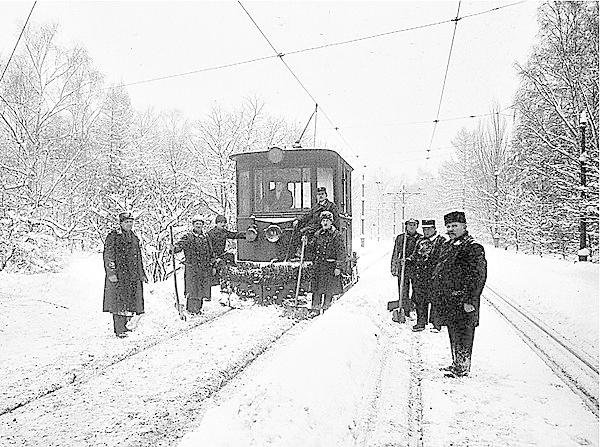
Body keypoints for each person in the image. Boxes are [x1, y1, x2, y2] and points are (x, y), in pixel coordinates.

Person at [431, 211, 487, 378]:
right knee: (453, 331)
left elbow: (478, 276)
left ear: (464, 226)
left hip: (464, 300)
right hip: (449, 300)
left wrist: (470, 299)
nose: (451, 229)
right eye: (448, 226)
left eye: (454, 226)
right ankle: (456, 363)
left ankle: (462, 367)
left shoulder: (473, 247)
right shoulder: (449, 245)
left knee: (464, 332)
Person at [103, 212, 147, 338]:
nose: (129, 224)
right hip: (119, 275)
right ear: (121, 223)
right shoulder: (114, 236)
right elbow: (108, 255)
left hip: (132, 275)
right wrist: (111, 272)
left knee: (130, 300)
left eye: (131, 222)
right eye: (126, 222)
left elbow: (138, 257)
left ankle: (126, 326)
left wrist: (141, 273)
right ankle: (119, 329)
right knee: (118, 302)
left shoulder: (134, 237)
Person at [406, 219, 446, 332]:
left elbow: (443, 259)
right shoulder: (420, 241)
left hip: (434, 277)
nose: (426, 231)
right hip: (420, 277)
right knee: (420, 301)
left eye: (429, 229)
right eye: (424, 229)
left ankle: (436, 324)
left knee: (435, 301)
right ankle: (421, 323)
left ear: (434, 229)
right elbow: (414, 255)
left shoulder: (441, 241)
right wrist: (408, 260)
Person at [172, 215, 215, 314]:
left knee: (202, 289)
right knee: (193, 288)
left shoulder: (206, 237)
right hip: (192, 267)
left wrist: (212, 262)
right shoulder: (188, 236)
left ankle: (198, 308)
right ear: (193, 225)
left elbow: (210, 250)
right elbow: (180, 245)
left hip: (204, 267)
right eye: (197, 224)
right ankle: (191, 309)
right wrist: (174, 248)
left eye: (200, 224)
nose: (198, 226)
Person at [304, 210, 346, 314]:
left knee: (329, 290)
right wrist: (306, 243)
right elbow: (311, 248)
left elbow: (341, 253)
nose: (325, 223)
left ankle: (327, 309)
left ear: (331, 222)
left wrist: (338, 267)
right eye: (323, 221)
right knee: (317, 290)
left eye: (327, 220)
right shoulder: (318, 234)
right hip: (319, 266)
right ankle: (315, 309)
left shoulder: (336, 235)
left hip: (330, 267)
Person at [389, 218, 421, 320]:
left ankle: (414, 307)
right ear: (406, 226)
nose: (412, 226)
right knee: (403, 289)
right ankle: (405, 310)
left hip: (416, 268)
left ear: (417, 226)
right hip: (403, 268)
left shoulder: (420, 238)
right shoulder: (401, 238)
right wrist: (394, 266)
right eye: (410, 224)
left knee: (417, 289)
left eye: (414, 224)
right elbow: (395, 252)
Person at [207, 214, 246, 294]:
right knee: (214, 272)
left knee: (230, 258)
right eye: (220, 222)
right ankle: (215, 291)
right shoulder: (210, 234)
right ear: (216, 223)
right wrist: (214, 258)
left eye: (224, 222)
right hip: (213, 256)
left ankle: (231, 282)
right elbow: (208, 247)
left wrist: (245, 235)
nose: (222, 224)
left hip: (221, 254)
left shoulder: (224, 232)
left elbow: (234, 235)